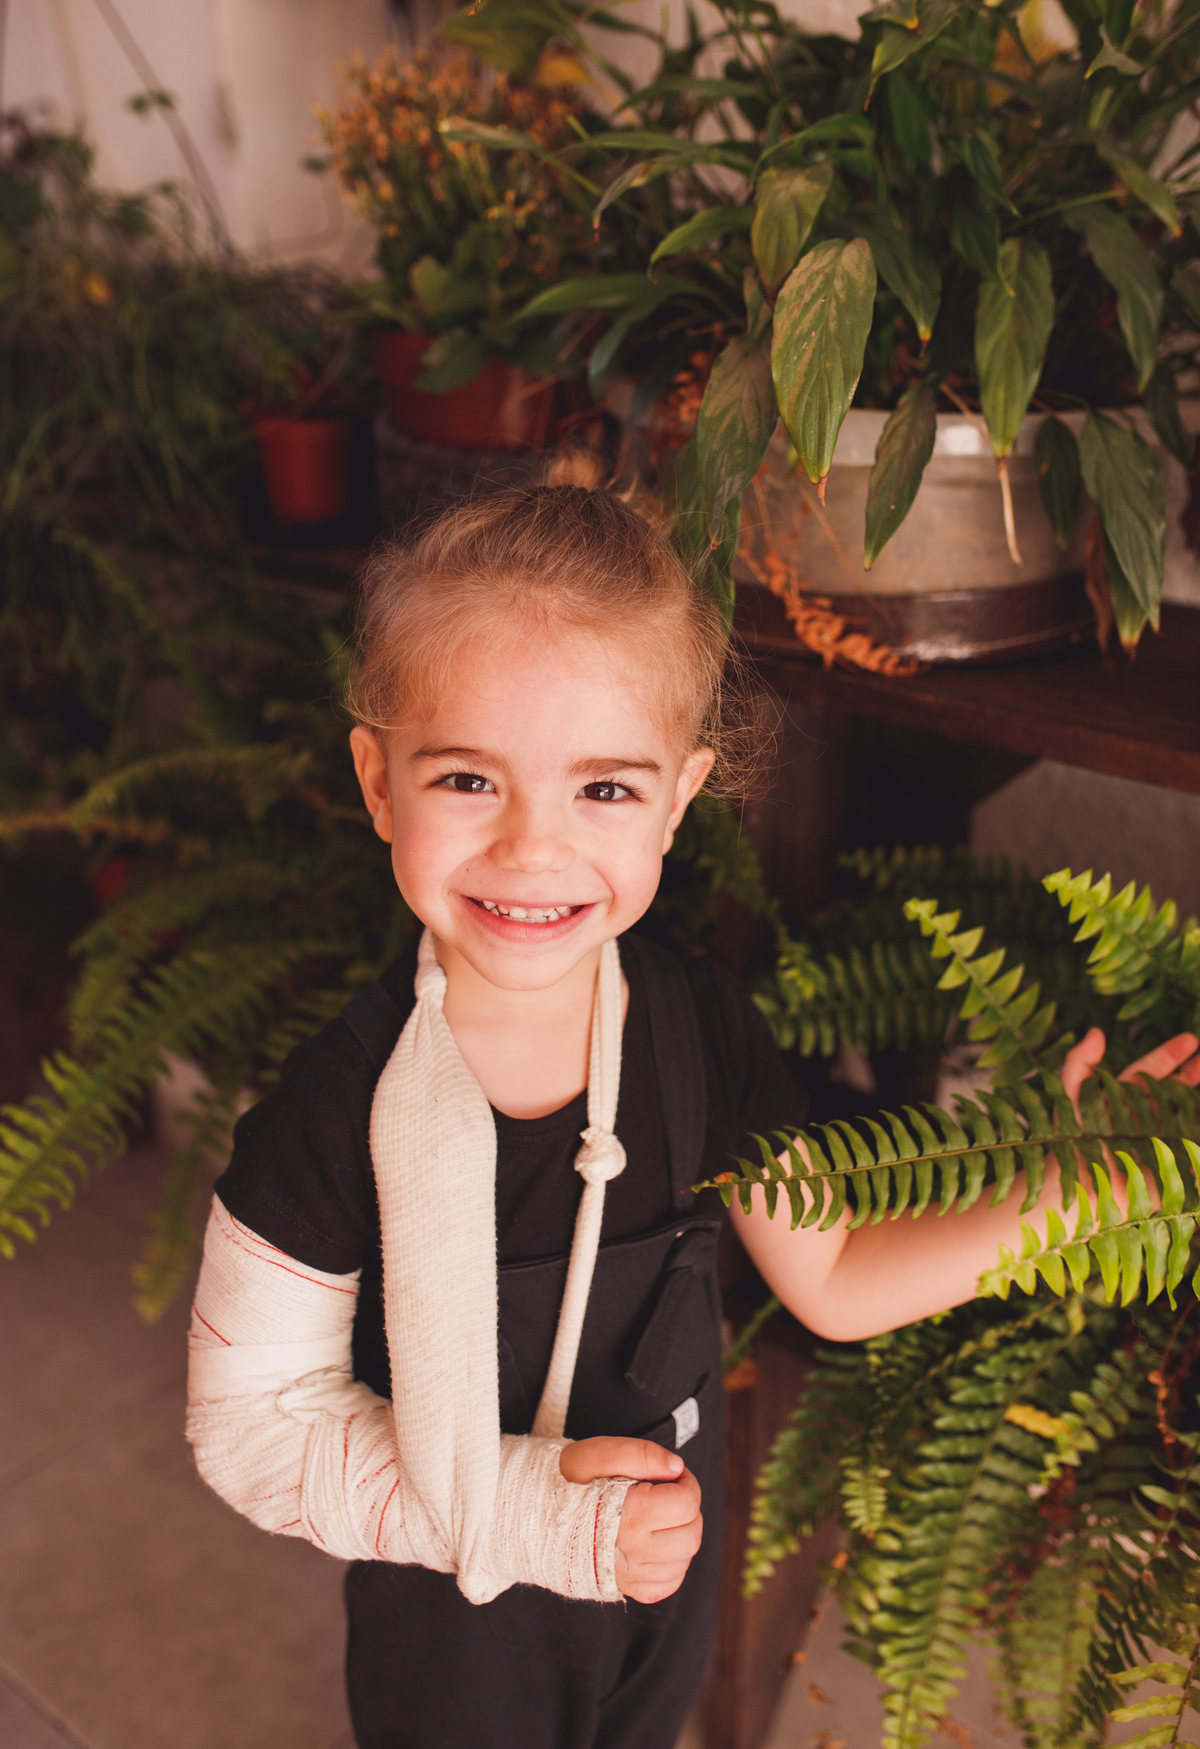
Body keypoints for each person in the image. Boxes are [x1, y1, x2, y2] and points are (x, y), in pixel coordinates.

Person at [185, 477, 1200, 1749]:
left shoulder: (698, 1027)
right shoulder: (333, 1109)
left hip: (662, 1592)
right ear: (379, 782)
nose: (533, 847)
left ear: (678, 799)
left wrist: (1069, 1193)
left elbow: (833, 1276)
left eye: (605, 790)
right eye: (468, 779)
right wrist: (546, 1518)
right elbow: (248, 1431)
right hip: (462, 1631)